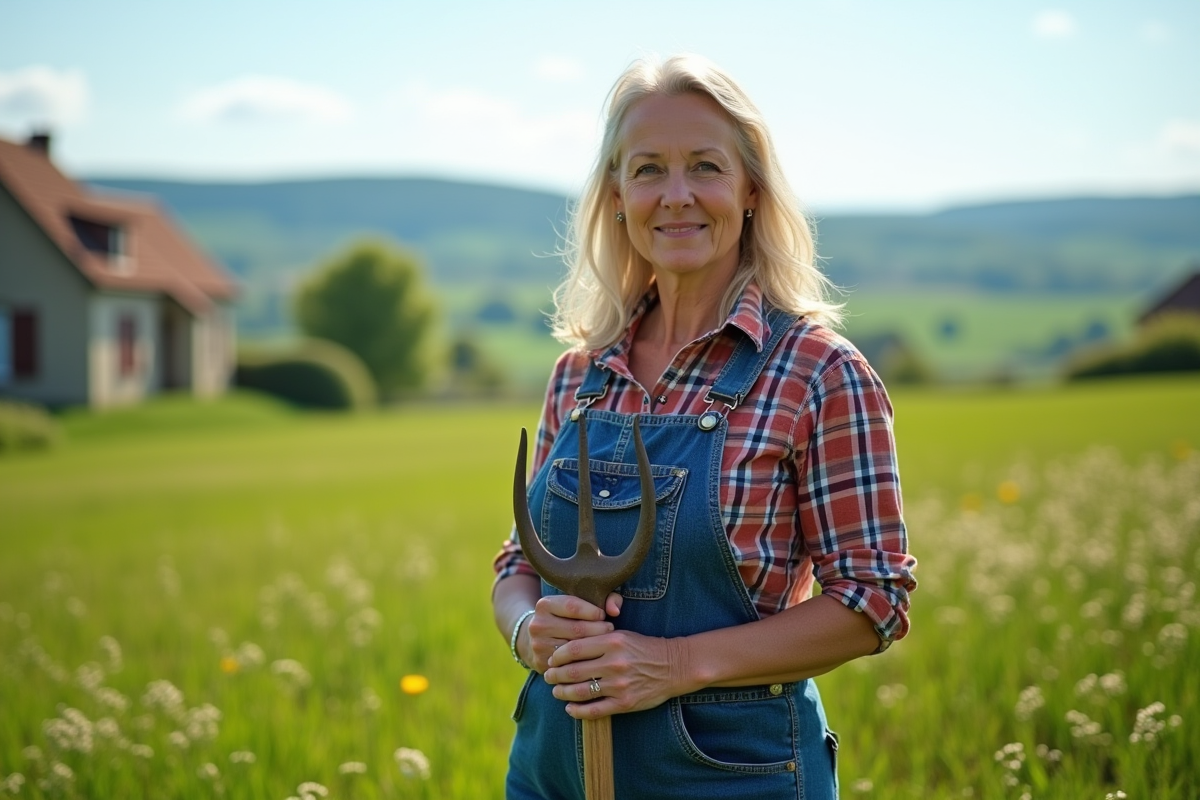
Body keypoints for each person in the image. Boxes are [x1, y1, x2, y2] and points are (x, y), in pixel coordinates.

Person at [492, 53, 916, 800]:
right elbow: (518, 567)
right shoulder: (579, 377)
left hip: (732, 779)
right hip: (550, 774)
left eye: (706, 168)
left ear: (751, 190)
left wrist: (675, 666)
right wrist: (530, 632)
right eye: (649, 169)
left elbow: (872, 601)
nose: (676, 195)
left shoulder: (819, 373)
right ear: (616, 195)